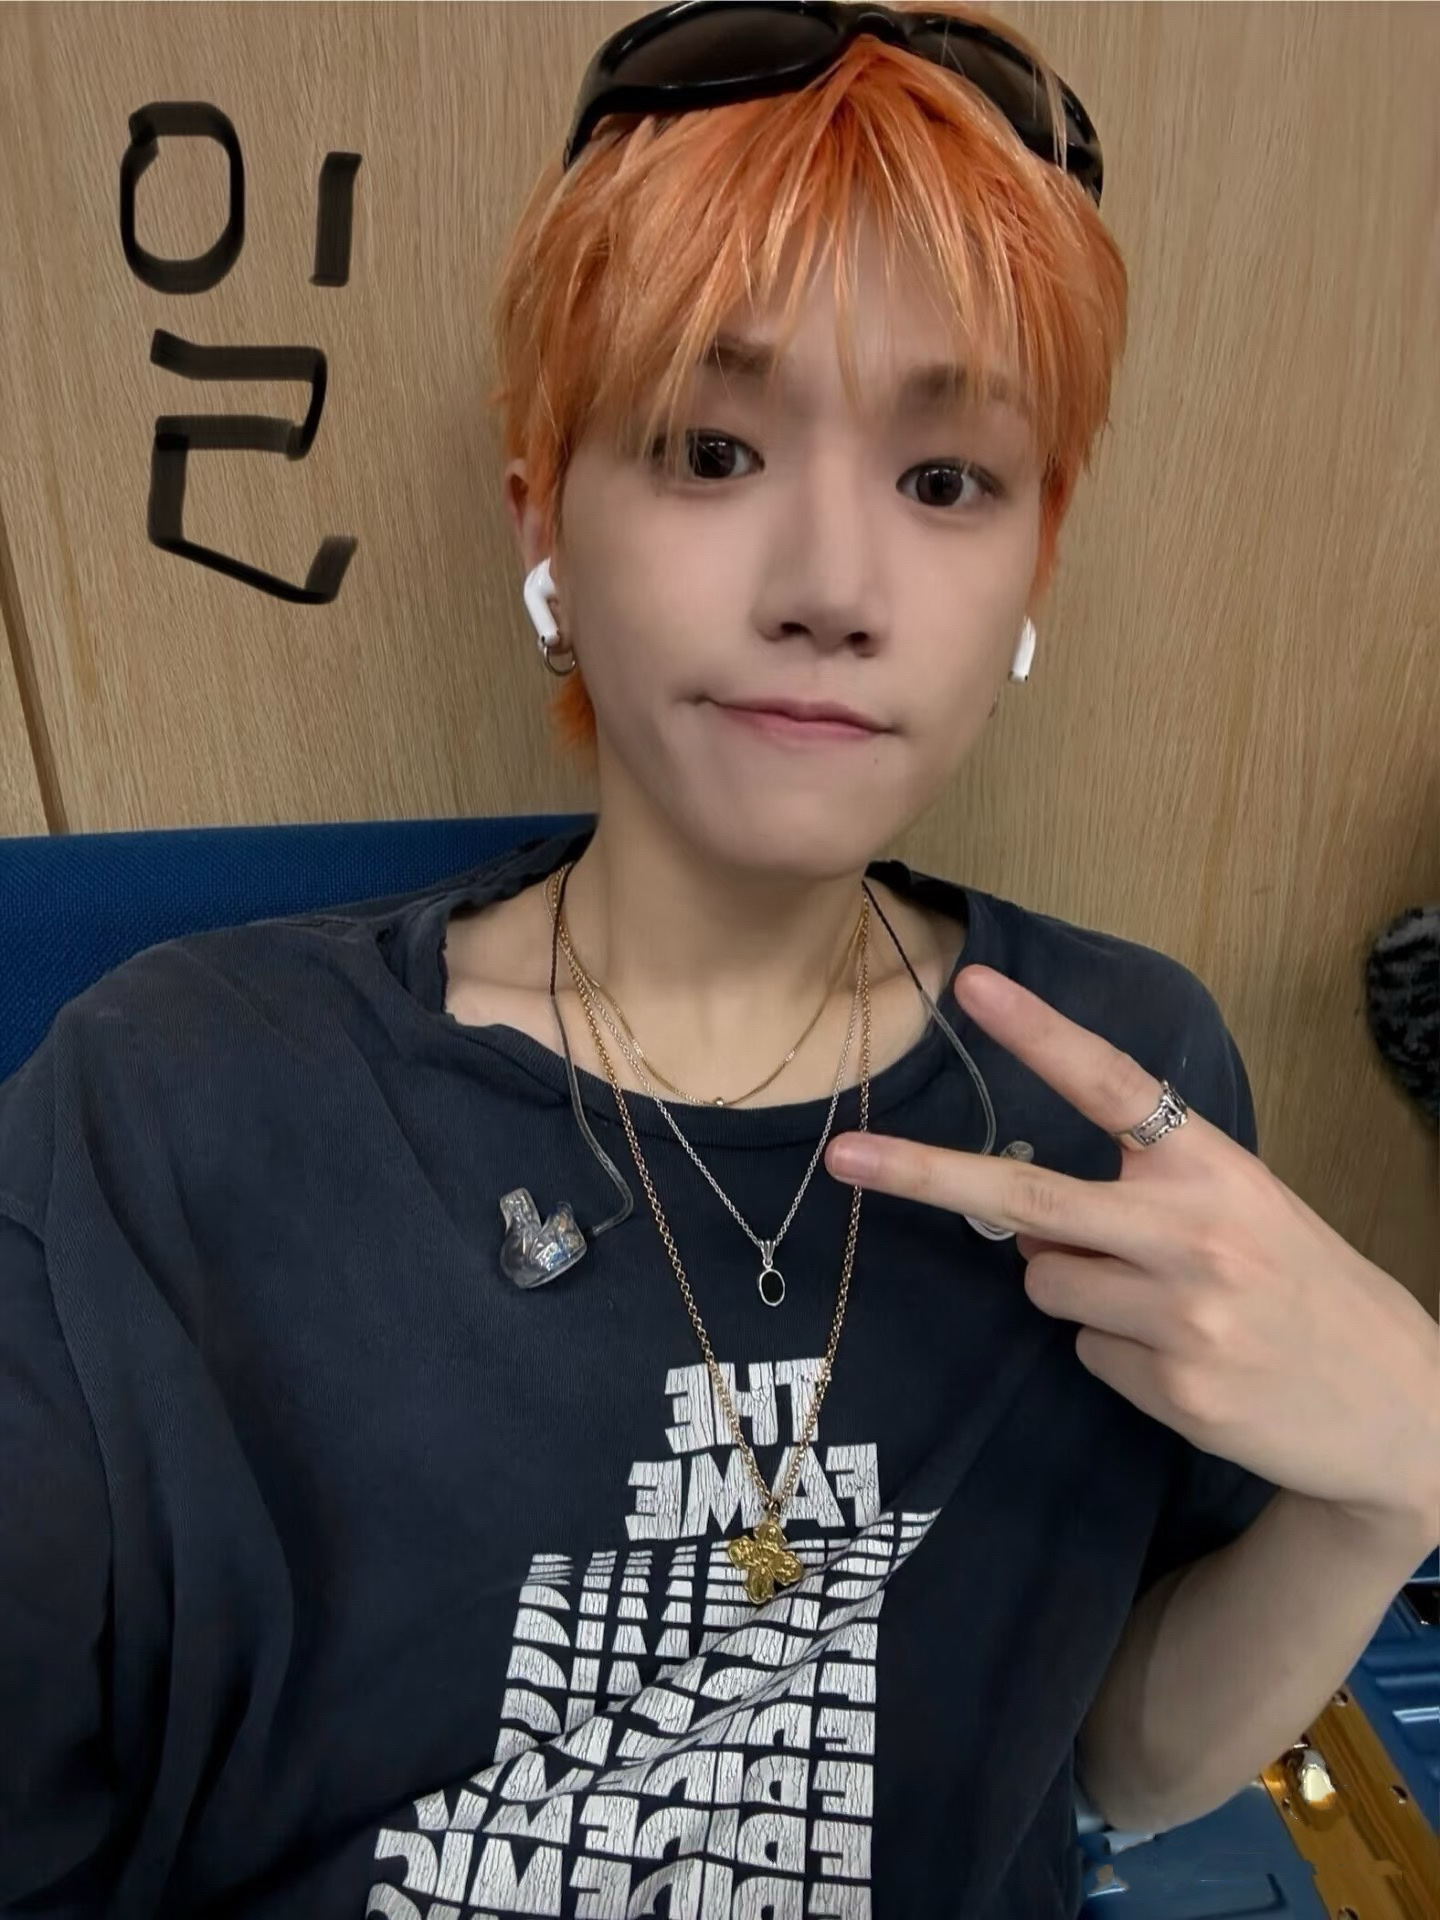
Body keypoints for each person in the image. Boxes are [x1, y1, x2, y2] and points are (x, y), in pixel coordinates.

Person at [0, 4, 1287, 1915]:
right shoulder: (174, 1102)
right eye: (712, 447)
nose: (833, 588)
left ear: (1034, 566)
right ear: (545, 524)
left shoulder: (1121, 1075)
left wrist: (1400, 1476)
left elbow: (1101, 1758)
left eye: (948, 481)